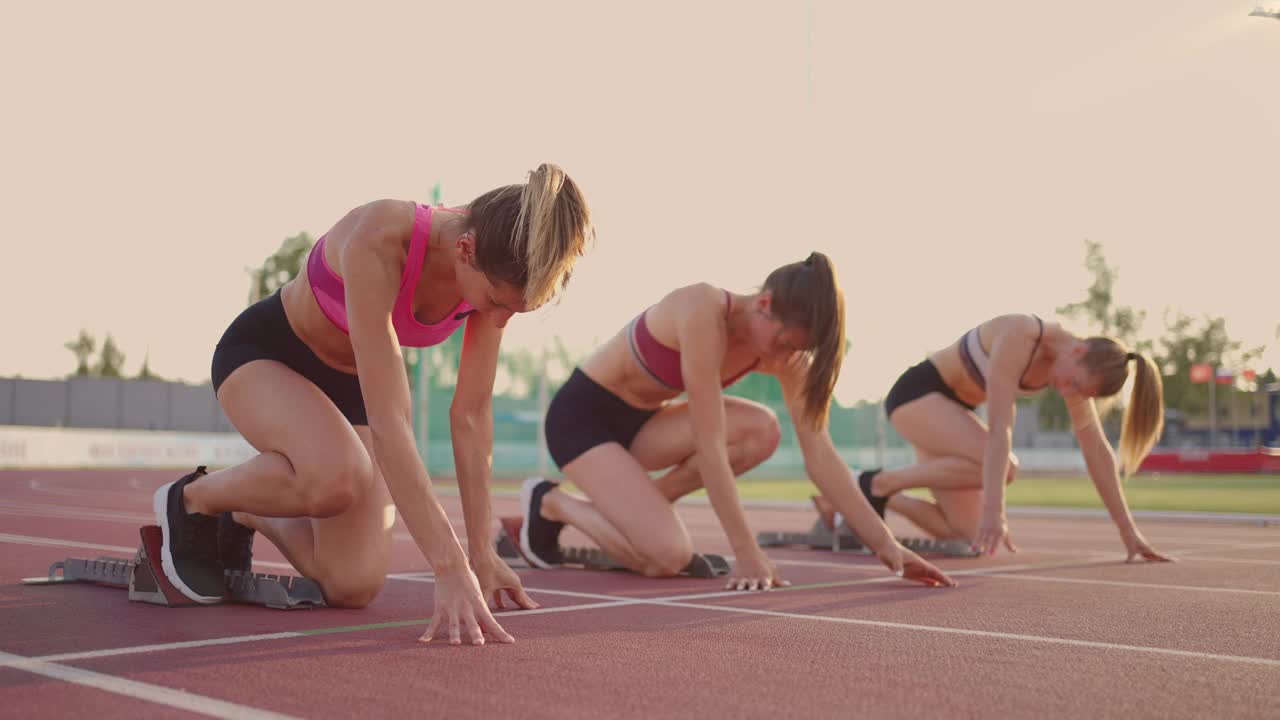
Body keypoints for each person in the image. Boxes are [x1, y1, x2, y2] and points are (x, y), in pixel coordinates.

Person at [153, 164, 595, 647]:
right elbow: (390, 423)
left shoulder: (495, 267)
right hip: (266, 356)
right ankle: (194, 499)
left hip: (351, 381)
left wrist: (480, 552)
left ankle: (243, 511)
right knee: (339, 474)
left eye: (513, 310)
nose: (499, 318)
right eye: (496, 302)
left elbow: (470, 416)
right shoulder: (382, 238)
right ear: (465, 250)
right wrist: (448, 565)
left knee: (353, 584)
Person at [516, 253, 957, 591]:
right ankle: (553, 503)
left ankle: (630, 513)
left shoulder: (783, 353)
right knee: (666, 556)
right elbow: (710, 447)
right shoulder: (702, 310)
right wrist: (746, 552)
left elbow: (820, 453)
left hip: (644, 426)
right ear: (764, 303)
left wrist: (887, 546)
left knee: (762, 431)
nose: (787, 358)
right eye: (785, 344)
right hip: (582, 421)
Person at [863, 313, 1174, 561]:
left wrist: (1128, 532)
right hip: (917, 396)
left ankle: (878, 491)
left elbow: (1096, 450)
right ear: (1078, 350)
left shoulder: (1070, 366)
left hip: (954, 415)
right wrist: (994, 512)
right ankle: (878, 483)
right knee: (1007, 469)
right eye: (1075, 384)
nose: (1069, 393)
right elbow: (1000, 431)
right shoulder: (1020, 335)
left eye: (1080, 392)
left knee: (971, 535)